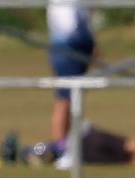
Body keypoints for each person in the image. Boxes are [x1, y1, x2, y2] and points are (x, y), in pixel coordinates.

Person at [45, 1, 97, 153]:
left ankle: (68, 144)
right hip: (67, 51)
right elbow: (70, 28)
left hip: (75, 50)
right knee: (65, 99)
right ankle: (60, 147)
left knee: (73, 99)